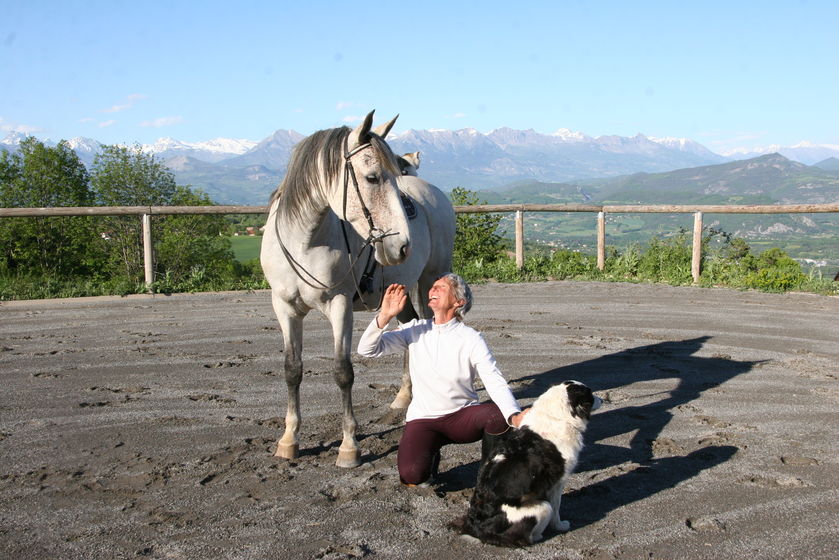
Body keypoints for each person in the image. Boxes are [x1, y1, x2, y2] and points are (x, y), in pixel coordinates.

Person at [357, 273, 528, 486]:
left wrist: (514, 415)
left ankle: (491, 475)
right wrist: (384, 316)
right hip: (423, 419)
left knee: (498, 416)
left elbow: (493, 379)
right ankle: (430, 455)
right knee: (411, 476)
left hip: (462, 418)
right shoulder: (413, 329)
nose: (432, 290)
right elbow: (366, 350)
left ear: (458, 302)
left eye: (441, 287)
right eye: (433, 286)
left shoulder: (471, 338)